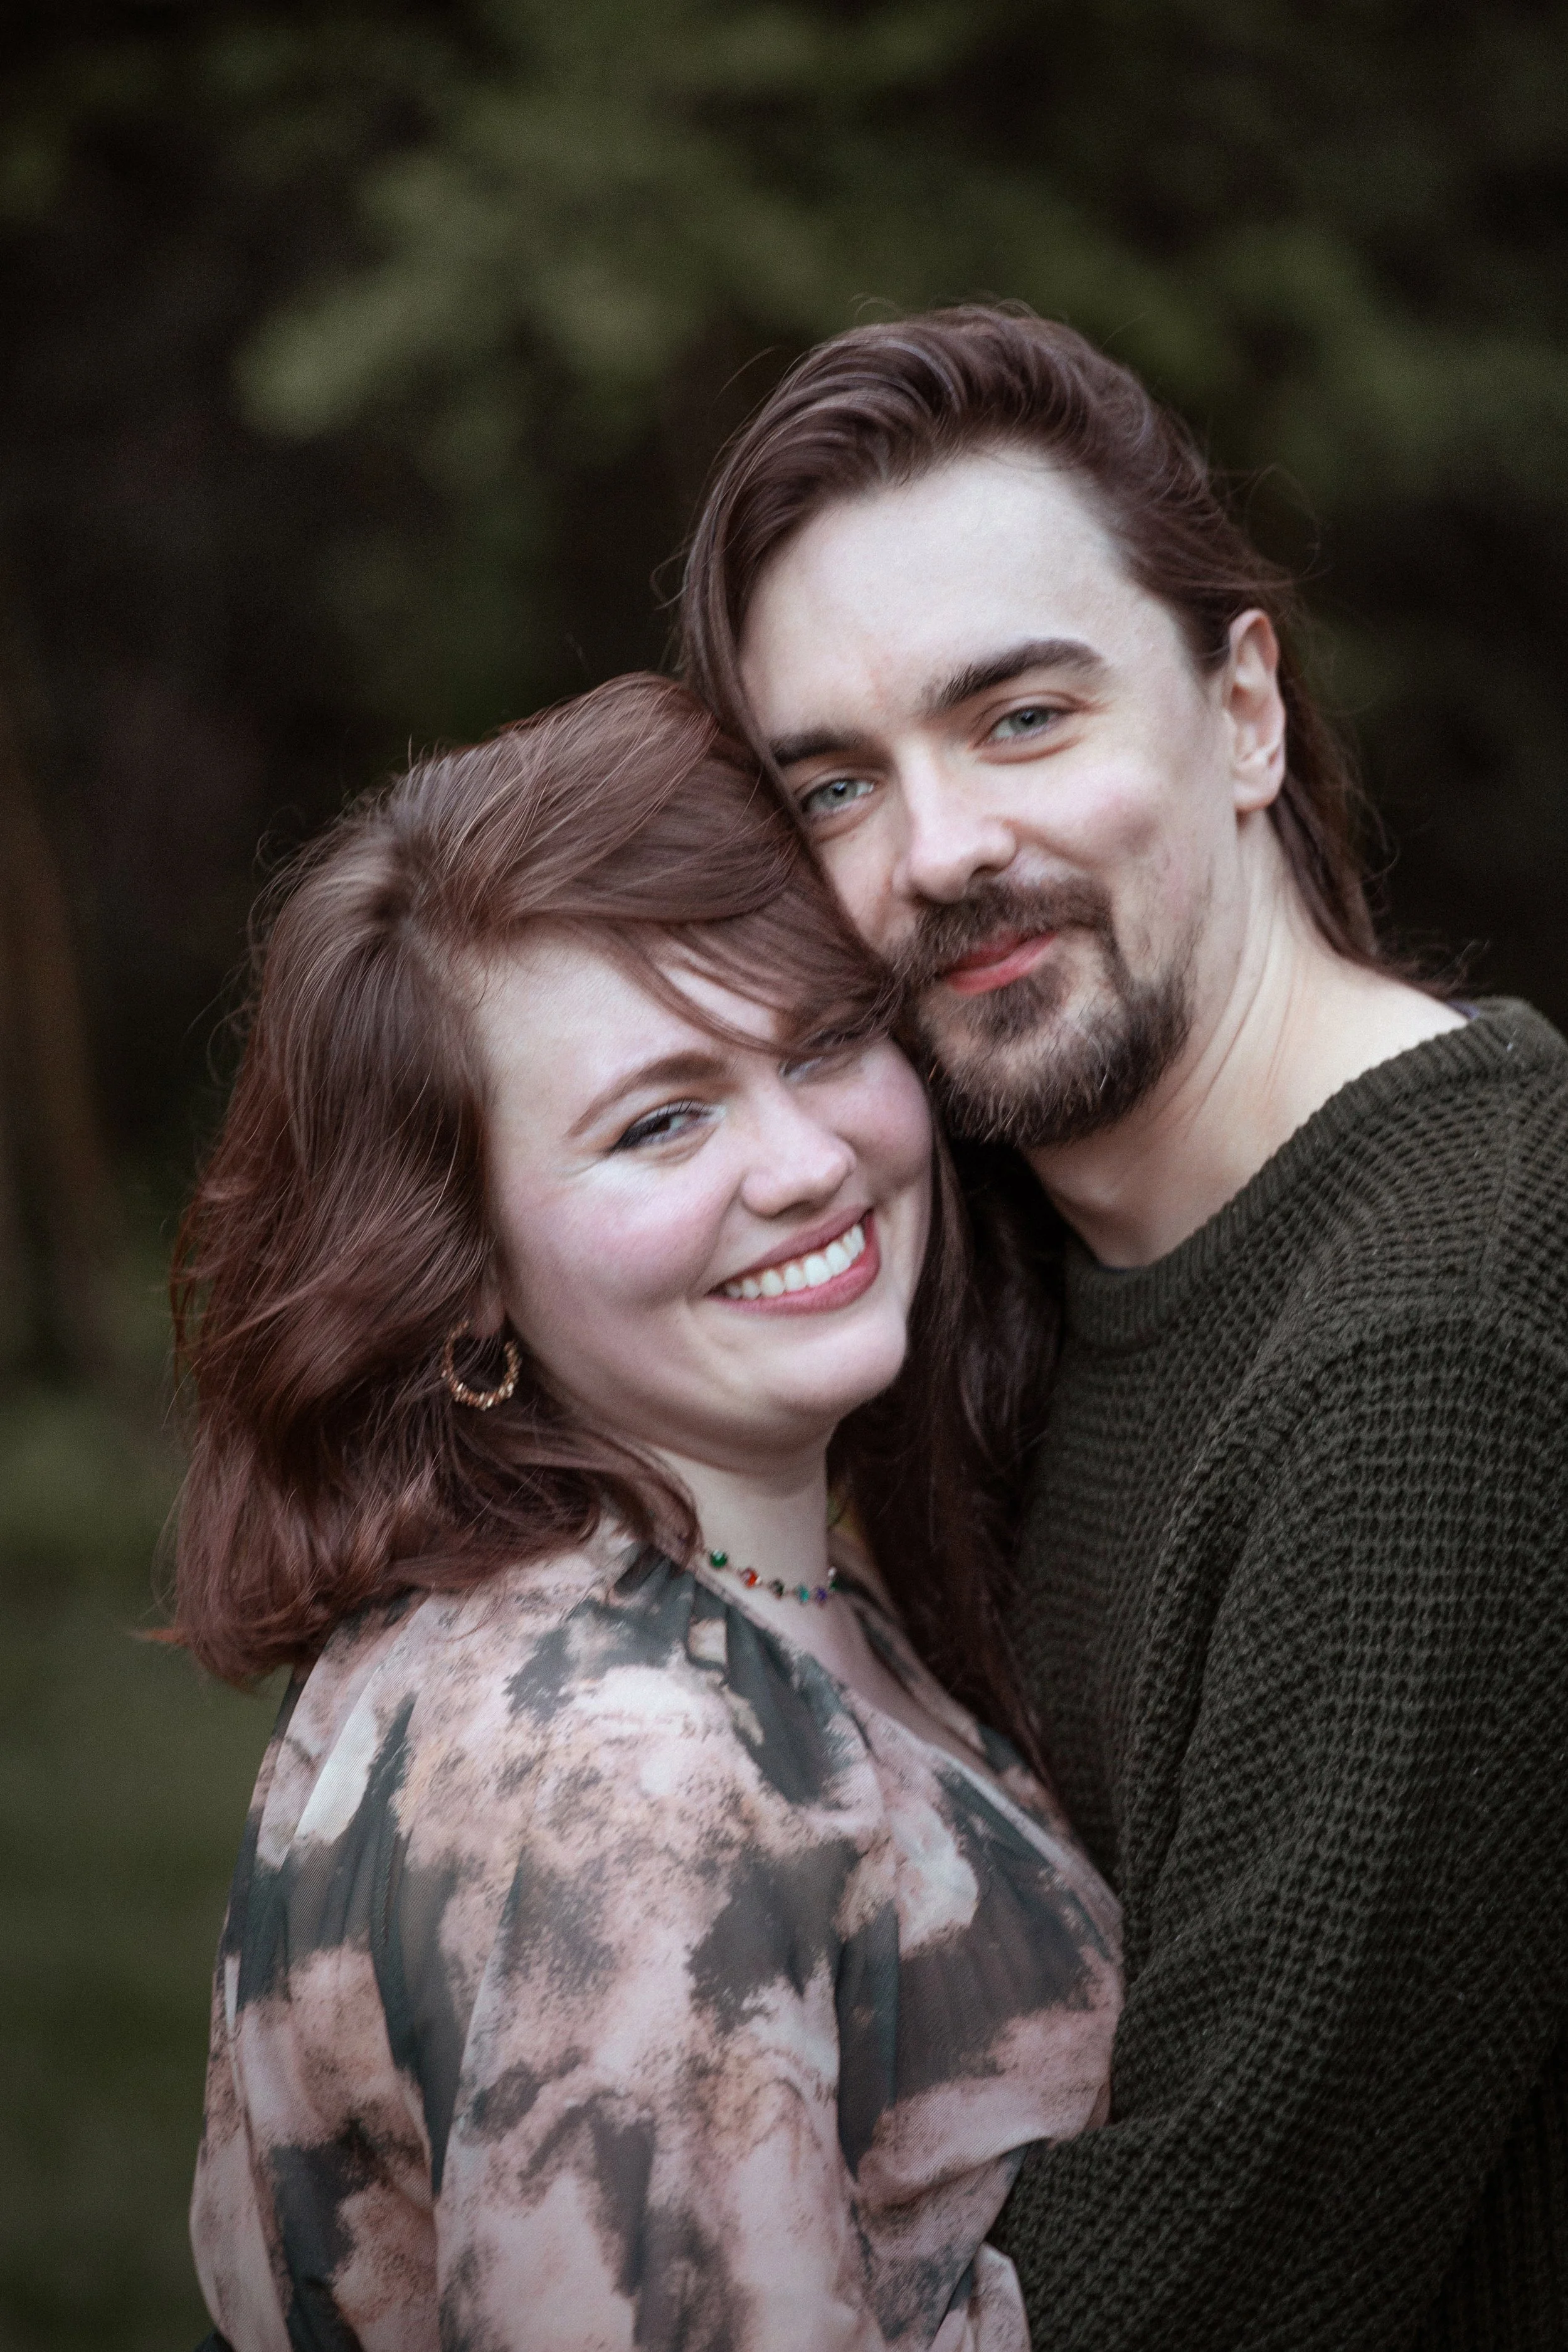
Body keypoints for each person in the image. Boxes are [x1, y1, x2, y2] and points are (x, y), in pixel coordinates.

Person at [678, 307, 1568, 2349]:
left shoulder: (1441, 1346)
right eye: (836, 786)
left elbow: (1220, 2275)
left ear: (1242, 712)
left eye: (1018, 717)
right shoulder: (991, 1290)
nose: (936, 851)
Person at [174, 674, 1121, 2351]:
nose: (804, 1161)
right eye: (662, 1120)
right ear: (462, 1268)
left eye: (822, 1041)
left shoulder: (707, 1599)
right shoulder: (625, 1772)